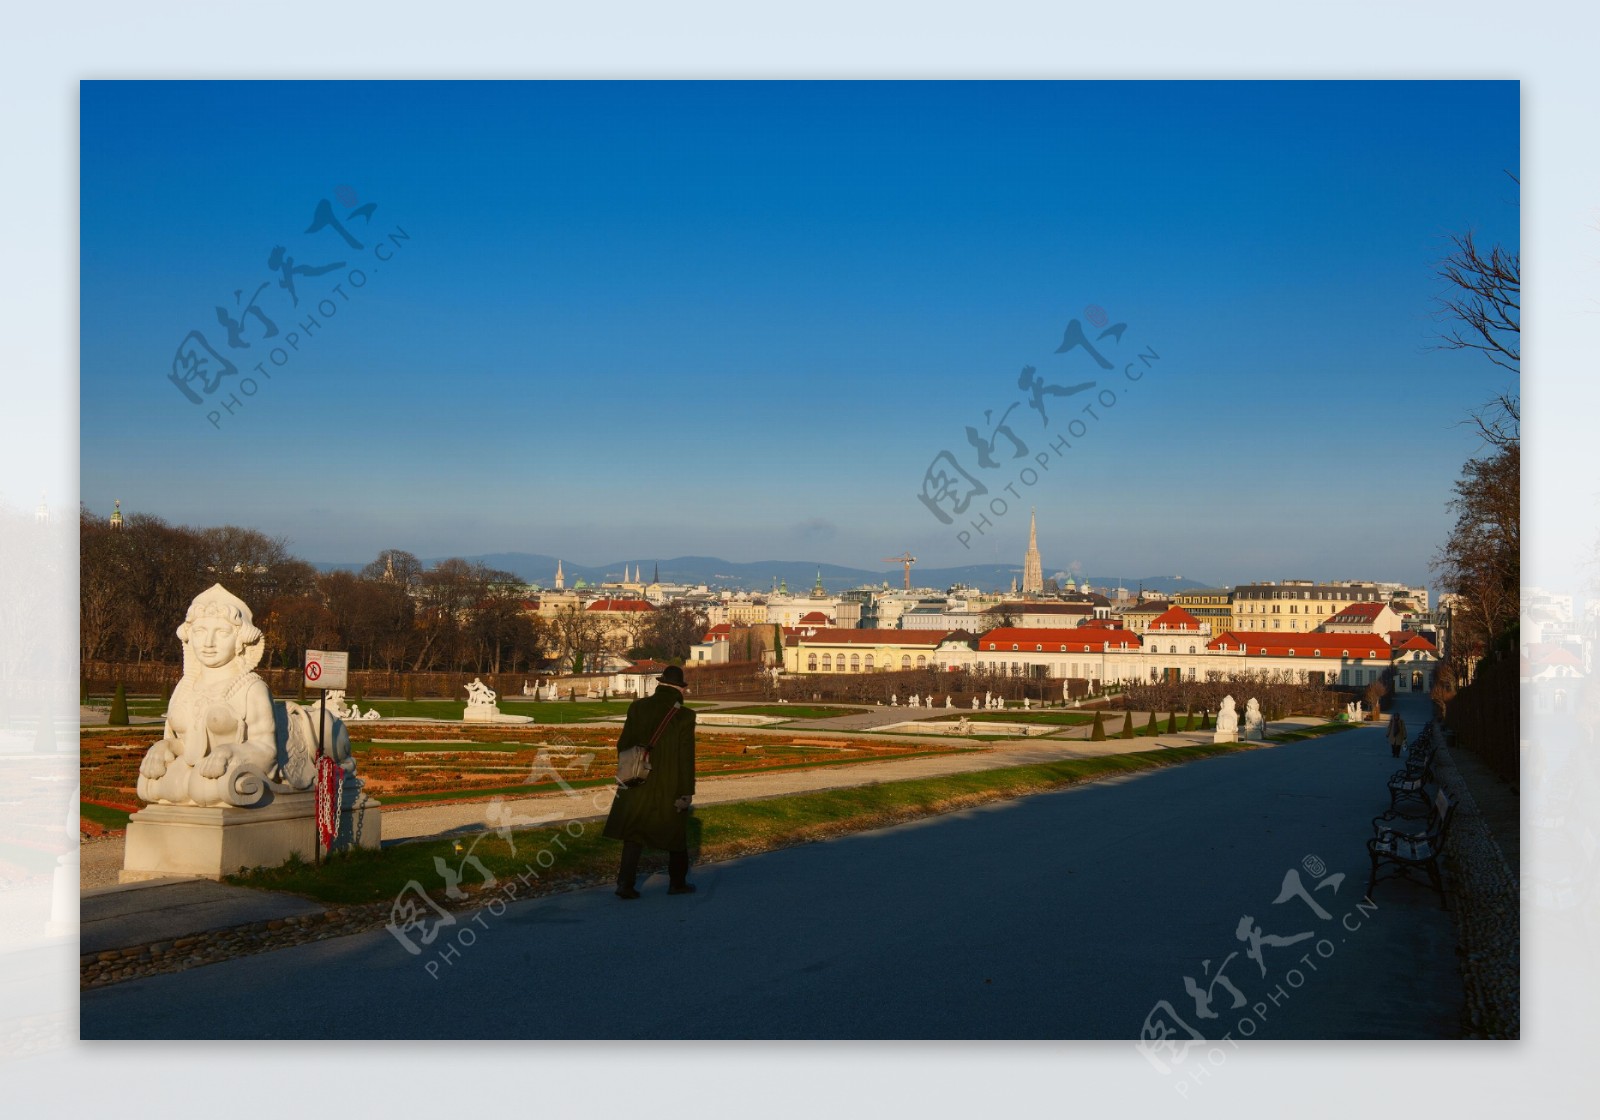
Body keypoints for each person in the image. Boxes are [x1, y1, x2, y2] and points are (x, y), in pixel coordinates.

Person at [603, 664, 698, 899]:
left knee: (634, 832)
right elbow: (686, 757)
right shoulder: (684, 715)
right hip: (669, 782)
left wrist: (637, 763)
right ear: (678, 687)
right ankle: (677, 883)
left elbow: (622, 744)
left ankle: (624, 884)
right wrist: (686, 791)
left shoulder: (637, 707)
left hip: (637, 778)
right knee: (675, 834)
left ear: (660, 683)